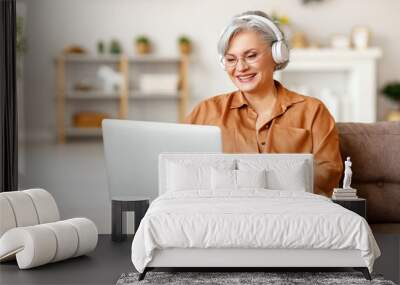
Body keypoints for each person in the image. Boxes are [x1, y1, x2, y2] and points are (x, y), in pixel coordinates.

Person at [184, 10, 343, 197]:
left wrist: (267, 193)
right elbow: (182, 172)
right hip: (226, 214)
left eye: (251, 56)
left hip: (293, 213)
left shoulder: (313, 111)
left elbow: (328, 173)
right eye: (231, 59)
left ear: (277, 55)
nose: (241, 68)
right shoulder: (205, 112)